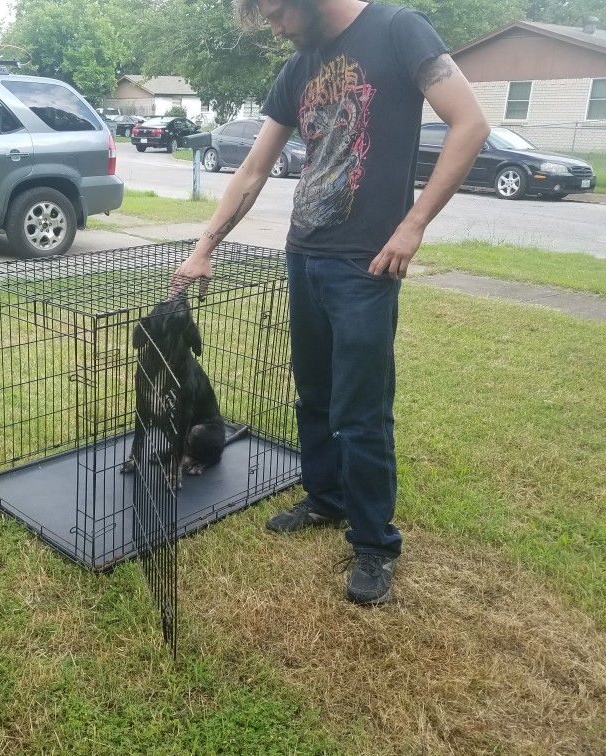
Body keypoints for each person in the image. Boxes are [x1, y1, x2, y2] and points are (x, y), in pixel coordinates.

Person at [171, 0, 489, 605]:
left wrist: (414, 223)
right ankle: (325, 500)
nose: (275, 28)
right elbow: (254, 169)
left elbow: (470, 123)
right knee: (313, 392)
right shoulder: (298, 69)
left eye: (275, 13)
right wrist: (205, 244)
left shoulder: (399, 30)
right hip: (304, 255)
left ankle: (373, 543)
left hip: (365, 264)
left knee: (361, 409)